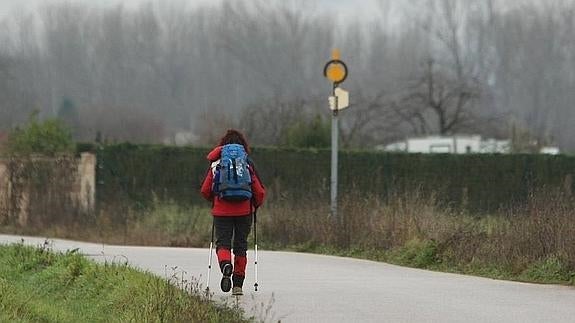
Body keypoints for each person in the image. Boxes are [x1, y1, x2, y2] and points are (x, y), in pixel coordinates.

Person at [200, 129, 265, 296]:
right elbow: (259, 192)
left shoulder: (216, 163)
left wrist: (215, 201)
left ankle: (226, 266)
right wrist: (255, 205)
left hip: (221, 211)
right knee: (241, 246)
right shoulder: (247, 162)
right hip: (244, 211)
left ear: (223, 145)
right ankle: (238, 286)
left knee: (223, 244)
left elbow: (205, 190)